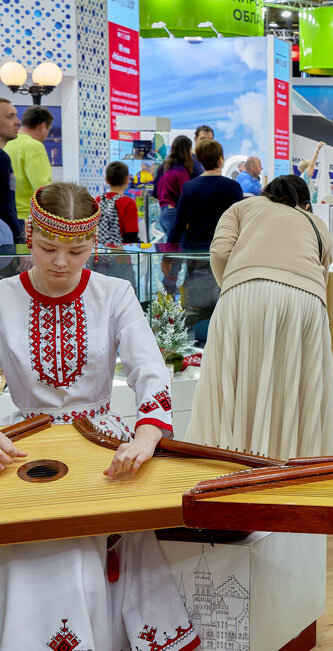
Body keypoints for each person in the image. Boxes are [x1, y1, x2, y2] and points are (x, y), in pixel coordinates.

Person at [0, 182, 198, 649]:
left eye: (78, 249)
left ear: (94, 244)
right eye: (48, 248)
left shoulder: (115, 293)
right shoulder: (3, 296)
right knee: (33, 544)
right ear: (30, 237)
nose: (62, 262)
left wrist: (148, 435)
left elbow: (149, 369)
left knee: (84, 539)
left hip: (100, 445)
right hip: (26, 448)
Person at [185, 175, 333, 460]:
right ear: (305, 203)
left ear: (268, 192)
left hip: (245, 293)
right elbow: (323, 271)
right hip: (305, 302)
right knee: (292, 385)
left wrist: (232, 284)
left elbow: (218, 251)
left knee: (236, 377)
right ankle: (287, 463)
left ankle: (229, 462)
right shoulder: (316, 223)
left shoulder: (242, 207)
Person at [168, 140, 243, 245]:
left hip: (195, 250)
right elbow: (240, 222)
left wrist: (167, 257)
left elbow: (178, 225)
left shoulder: (189, 187)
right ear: (221, 160)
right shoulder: (233, 187)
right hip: (225, 248)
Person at [6, 105, 53, 231]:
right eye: (48, 130)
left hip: (6, 217)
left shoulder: (7, 142)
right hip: (26, 219)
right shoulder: (34, 146)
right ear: (43, 126)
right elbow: (43, 189)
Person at [155, 135, 194, 236]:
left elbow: (155, 192)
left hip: (163, 214)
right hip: (173, 214)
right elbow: (186, 195)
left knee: (171, 249)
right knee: (178, 250)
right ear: (186, 150)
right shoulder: (181, 170)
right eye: (190, 149)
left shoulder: (162, 167)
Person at [98, 161, 140, 245]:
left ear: (106, 180)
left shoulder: (97, 200)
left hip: (100, 250)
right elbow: (131, 235)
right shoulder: (128, 203)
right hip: (120, 252)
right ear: (126, 180)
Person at [0, 98, 20, 241]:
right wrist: (19, 238)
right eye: (9, 117)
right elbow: (5, 207)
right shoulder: (2, 158)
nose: (17, 122)